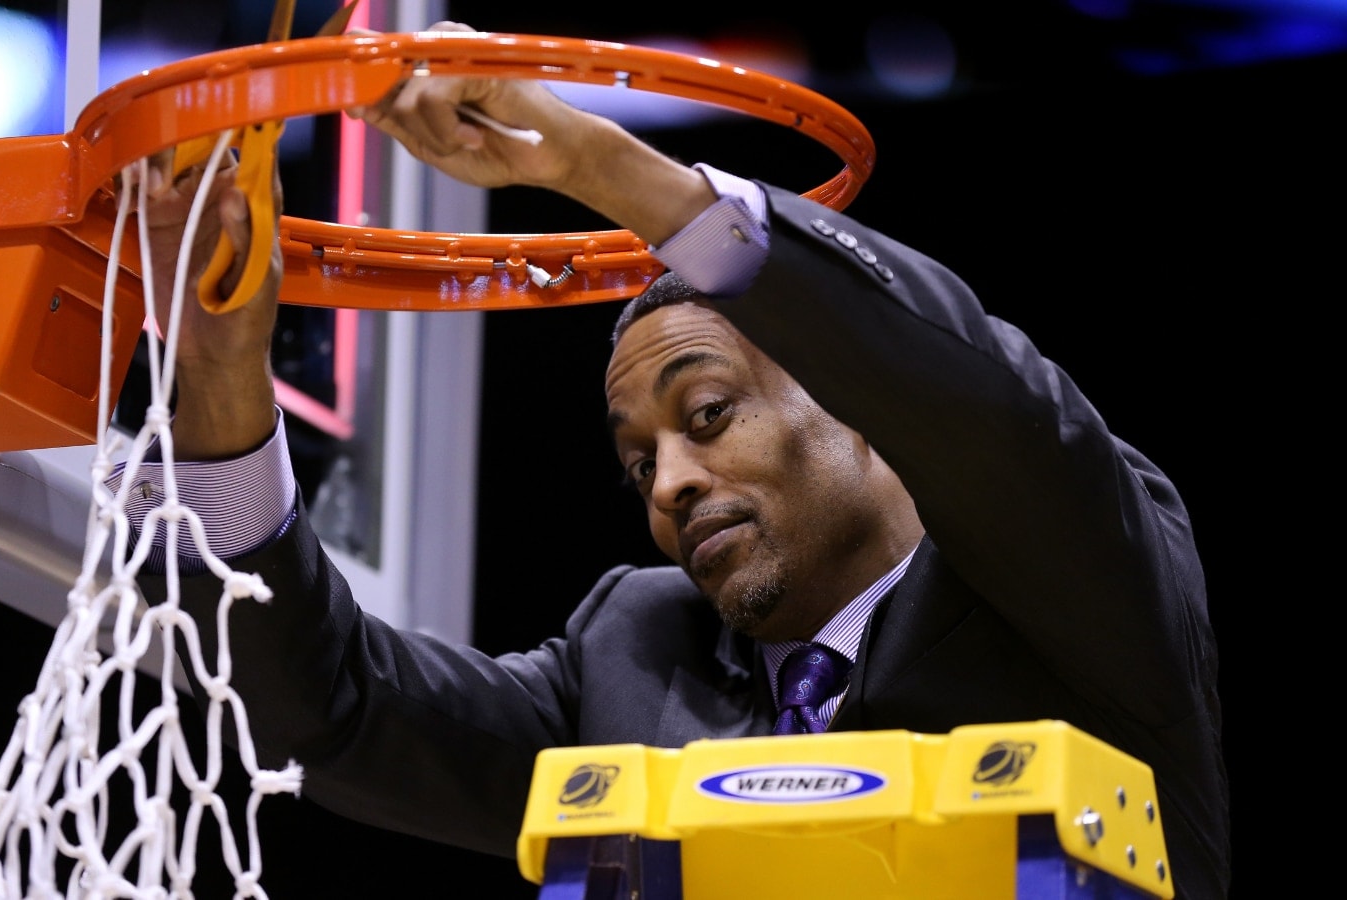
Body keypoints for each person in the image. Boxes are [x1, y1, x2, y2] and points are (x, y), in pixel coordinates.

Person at [113, 20, 1230, 899]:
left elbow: (983, 405)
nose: (670, 485)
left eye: (704, 418)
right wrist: (216, 373)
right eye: (637, 465)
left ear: (859, 402)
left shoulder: (1069, 581)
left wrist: (604, 168)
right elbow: (336, 710)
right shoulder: (635, 654)